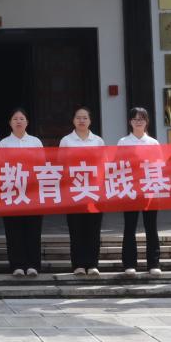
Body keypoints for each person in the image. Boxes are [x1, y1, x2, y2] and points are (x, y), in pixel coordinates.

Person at [60, 106, 105, 276]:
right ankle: (78, 264)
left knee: (93, 229)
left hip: (93, 191)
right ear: (73, 120)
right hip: (73, 191)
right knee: (76, 229)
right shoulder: (66, 141)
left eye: (85, 118)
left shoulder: (98, 141)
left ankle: (92, 264)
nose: (81, 120)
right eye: (78, 117)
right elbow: (60, 164)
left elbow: (103, 165)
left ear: (90, 121)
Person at [117, 106, 162, 276]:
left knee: (151, 227)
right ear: (130, 122)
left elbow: (159, 165)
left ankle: (154, 263)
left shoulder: (153, 143)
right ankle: (129, 263)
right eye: (135, 119)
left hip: (149, 189)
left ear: (146, 122)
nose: (138, 122)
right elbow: (118, 165)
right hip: (130, 189)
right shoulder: (123, 142)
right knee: (130, 227)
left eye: (141, 119)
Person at [0, 107, 43, 277]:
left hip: (32, 193)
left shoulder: (35, 142)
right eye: (15, 119)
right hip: (11, 192)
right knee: (13, 231)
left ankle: (33, 264)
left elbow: (42, 166)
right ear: (10, 123)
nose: (18, 121)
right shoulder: (3, 144)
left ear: (27, 122)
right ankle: (17, 264)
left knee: (33, 230)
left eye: (22, 118)